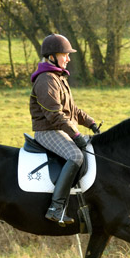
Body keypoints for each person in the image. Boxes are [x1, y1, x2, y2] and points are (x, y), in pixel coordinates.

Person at [30, 34, 100, 225]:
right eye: (65, 54)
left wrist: (91, 123)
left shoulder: (58, 78)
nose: (68, 58)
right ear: (52, 56)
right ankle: (56, 208)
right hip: (48, 131)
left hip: (60, 128)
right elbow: (55, 115)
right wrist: (76, 135)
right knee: (76, 156)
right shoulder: (46, 80)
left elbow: (72, 110)